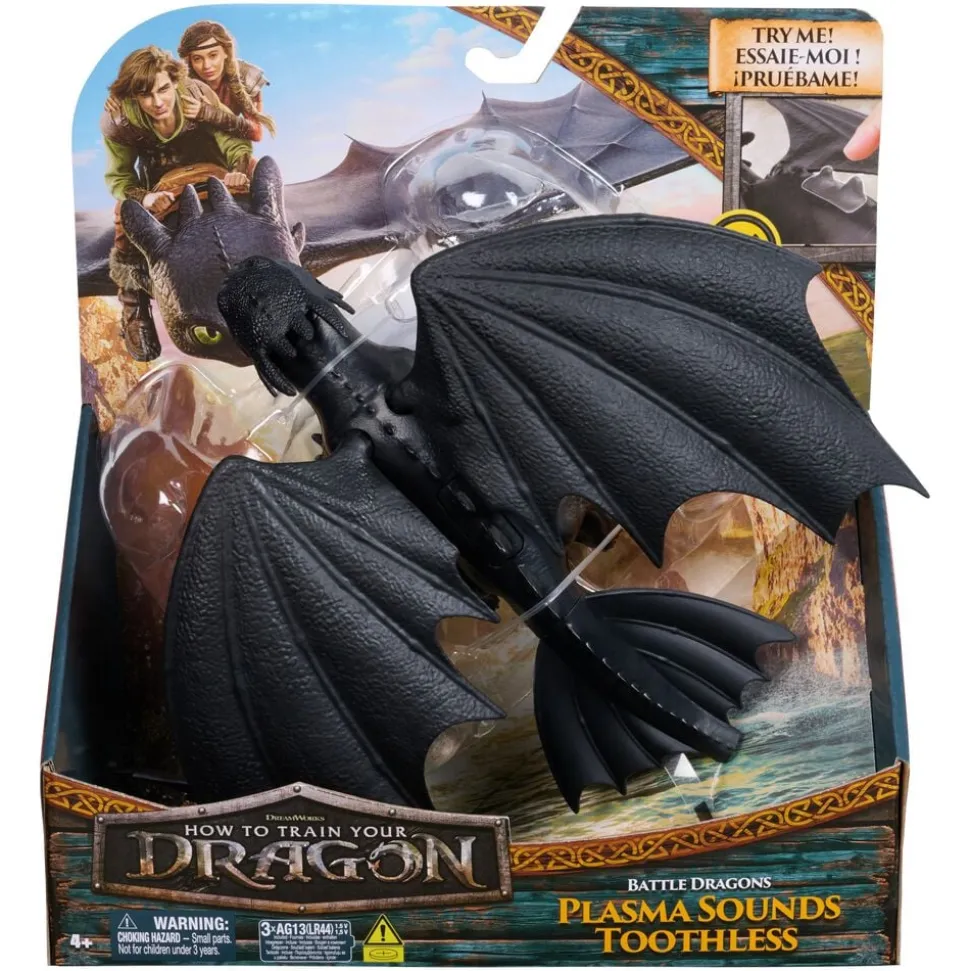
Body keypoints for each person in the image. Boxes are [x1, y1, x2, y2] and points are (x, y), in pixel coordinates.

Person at [102, 45, 254, 360]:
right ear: (134, 96)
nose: (157, 102)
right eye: (145, 95)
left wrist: (237, 170)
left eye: (163, 89)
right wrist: (146, 197)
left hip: (215, 176)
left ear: (174, 81)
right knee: (122, 217)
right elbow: (119, 177)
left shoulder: (197, 96)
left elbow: (232, 140)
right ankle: (133, 304)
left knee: (259, 174)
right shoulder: (120, 122)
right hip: (163, 188)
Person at [177, 20, 274, 141]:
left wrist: (208, 113)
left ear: (226, 52)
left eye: (213, 55)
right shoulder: (181, 84)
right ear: (190, 60)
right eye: (197, 59)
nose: (206, 65)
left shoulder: (246, 77)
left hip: (231, 147)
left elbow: (255, 133)